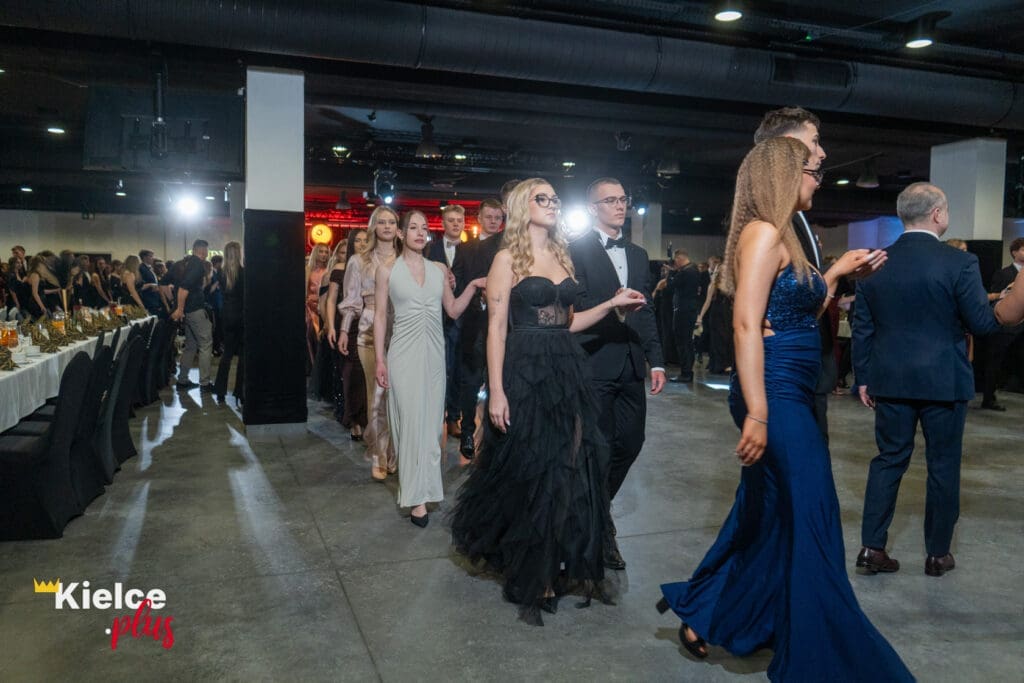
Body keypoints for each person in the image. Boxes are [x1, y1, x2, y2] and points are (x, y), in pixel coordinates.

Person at [656, 137, 912, 681]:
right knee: (813, 514)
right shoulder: (763, 232)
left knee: (772, 516)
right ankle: (825, 653)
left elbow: (795, 316)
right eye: (813, 170)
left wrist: (836, 275)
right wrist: (757, 412)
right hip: (772, 392)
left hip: (790, 386)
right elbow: (745, 323)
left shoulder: (785, 234)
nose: (819, 178)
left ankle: (713, 616)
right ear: (784, 174)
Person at [451, 178, 644, 626]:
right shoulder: (506, 259)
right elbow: (497, 329)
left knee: (568, 465)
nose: (553, 204)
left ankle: (554, 555)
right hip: (525, 369)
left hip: (566, 368)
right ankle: (533, 570)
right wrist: (496, 391)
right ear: (524, 205)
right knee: (533, 466)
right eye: (543, 198)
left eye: (556, 198)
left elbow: (569, 322)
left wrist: (612, 305)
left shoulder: (562, 255)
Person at [853, 182, 1001, 578]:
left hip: (890, 379)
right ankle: (937, 554)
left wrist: (864, 378)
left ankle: (871, 547)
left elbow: (863, 327)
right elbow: (981, 323)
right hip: (944, 380)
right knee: (943, 465)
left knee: (888, 461)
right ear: (937, 214)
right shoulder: (960, 263)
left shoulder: (874, 263)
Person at [571, 176, 665, 571]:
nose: (620, 206)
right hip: (594, 359)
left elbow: (647, 311)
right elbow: (576, 305)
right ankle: (600, 530)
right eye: (610, 200)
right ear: (592, 208)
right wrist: (613, 304)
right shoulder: (574, 249)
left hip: (630, 363)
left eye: (623, 199)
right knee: (598, 448)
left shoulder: (639, 255)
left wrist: (656, 359)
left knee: (631, 441)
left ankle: (596, 510)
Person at [373, 211, 485, 527]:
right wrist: (380, 359)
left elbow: (453, 309)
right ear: (401, 233)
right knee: (409, 424)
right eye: (413, 227)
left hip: (435, 354)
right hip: (402, 355)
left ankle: (426, 489)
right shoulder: (387, 270)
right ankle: (415, 498)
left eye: (424, 228)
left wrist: (472, 286)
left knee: (431, 427)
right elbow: (380, 316)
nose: (420, 233)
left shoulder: (438, 270)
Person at [754, 106, 836, 441]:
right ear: (790, 146)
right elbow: (747, 321)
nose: (822, 152)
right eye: (814, 141)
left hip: (806, 363)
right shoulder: (766, 223)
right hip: (785, 370)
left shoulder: (795, 215)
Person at [340, 208, 399, 480]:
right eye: (381, 222)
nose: (386, 226)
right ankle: (378, 453)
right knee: (376, 395)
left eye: (392, 222)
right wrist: (344, 330)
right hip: (368, 331)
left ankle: (394, 452)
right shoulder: (358, 260)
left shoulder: (405, 259)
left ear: (397, 227)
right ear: (373, 226)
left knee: (397, 396)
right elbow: (352, 300)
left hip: (401, 330)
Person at [451, 197, 506, 459]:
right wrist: (477, 297)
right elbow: (458, 284)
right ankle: (467, 433)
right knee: (470, 383)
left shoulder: (508, 247)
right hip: (472, 325)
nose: (494, 222)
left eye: (498, 218)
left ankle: (493, 437)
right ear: (480, 219)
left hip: (503, 325)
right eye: (489, 217)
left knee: (499, 382)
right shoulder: (465, 249)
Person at [427, 203, 466, 437]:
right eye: (451, 220)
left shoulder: (471, 250)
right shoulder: (430, 249)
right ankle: (433, 418)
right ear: (443, 223)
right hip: (434, 316)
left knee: (458, 369)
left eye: (459, 221)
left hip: (461, 318)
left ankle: (453, 418)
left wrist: (456, 283)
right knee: (435, 369)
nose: (455, 224)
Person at [327, 230, 368, 440]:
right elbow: (331, 299)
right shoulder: (340, 268)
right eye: (357, 240)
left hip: (370, 322)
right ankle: (353, 420)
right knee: (353, 372)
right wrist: (331, 327)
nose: (362, 244)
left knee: (367, 373)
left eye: (365, 240)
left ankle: (365, 418)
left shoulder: (373, 265)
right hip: (347, 323)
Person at [979, 237, 1024, 411]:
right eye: (1023, 249)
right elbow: (995, 297)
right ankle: (989, 397)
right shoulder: (1004, 273)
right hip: (1005, 327)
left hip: (1021, 327)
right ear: (1014, 252)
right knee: (995, 362)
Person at [171, 239, 213, 391]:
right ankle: (205, 383)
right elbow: (183, 288)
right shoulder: (197, 264)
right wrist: (180, 309)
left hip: (189, 311)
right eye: (207, 250)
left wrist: (182, 309)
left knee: (191, 346)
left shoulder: (190, 263)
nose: (207, 253)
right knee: (206, 344)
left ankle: (182, 380)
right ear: (202, 250)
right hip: (195, 310)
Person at [662, 249, 702, 382]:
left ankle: (686, 373)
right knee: (687, 342)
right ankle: (687, 371)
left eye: (675, 261)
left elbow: (670, 286)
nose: (675, 263)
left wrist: (669, 274)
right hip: (689, 310)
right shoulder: (693, 269)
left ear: (679, 259)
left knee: (682, 342)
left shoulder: (686, 272)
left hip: (683, 311)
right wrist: (674, 272)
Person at [213, 241, 244, 404]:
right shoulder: (243, 272)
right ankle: (240, 391)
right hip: (241, 315)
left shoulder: (220, 272)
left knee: (227, 355)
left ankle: (220, 391)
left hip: (226, 315)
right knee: (243, 356)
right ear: (239, 253)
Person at [305, 243, 330, 374]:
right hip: (310, 309)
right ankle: (312, 368)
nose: (324, 254)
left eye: (326, 252)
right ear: (315, 253)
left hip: (324, 308)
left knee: (322, 337)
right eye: (321, 251)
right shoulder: (308, 270)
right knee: (310, 335)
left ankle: (320, 369)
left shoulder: (329, 271)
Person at [138, 249, 164, 317]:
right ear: (144, 257)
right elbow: (140, 285)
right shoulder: (141, 268)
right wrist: (151, 285)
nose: (153, 258)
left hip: (154, 298)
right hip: (148, 299)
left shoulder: (149, 268)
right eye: (151, 256)